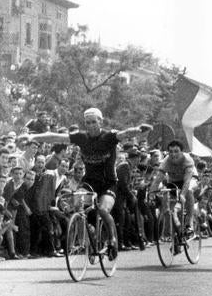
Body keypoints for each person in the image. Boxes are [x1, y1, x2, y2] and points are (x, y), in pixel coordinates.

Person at [27, 107, 153, 259]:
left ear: (100, 121)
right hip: (90, 182)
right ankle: (90, 239)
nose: (91, 125)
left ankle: (112, 240)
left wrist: (138, 130)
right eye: (88, 123)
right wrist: (32, 138)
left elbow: (125, 133)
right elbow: (56, 137)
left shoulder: (109, 137)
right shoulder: (81, 137)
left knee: (103, 210)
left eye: (94, 122)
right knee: (81, 209)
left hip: (109, 183)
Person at [150, 140, 200, 235]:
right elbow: (158, 179)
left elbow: (187, 181)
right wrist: (151, 193)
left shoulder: (187, 160)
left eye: (176, 151)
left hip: (190, 179)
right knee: (171, 207)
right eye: (171, 151)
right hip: (174, 181)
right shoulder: (166, 161)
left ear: (182, 151)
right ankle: (175, 230)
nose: (173, 154)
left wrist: (183, 195)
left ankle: (189, 222)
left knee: (188, 191)